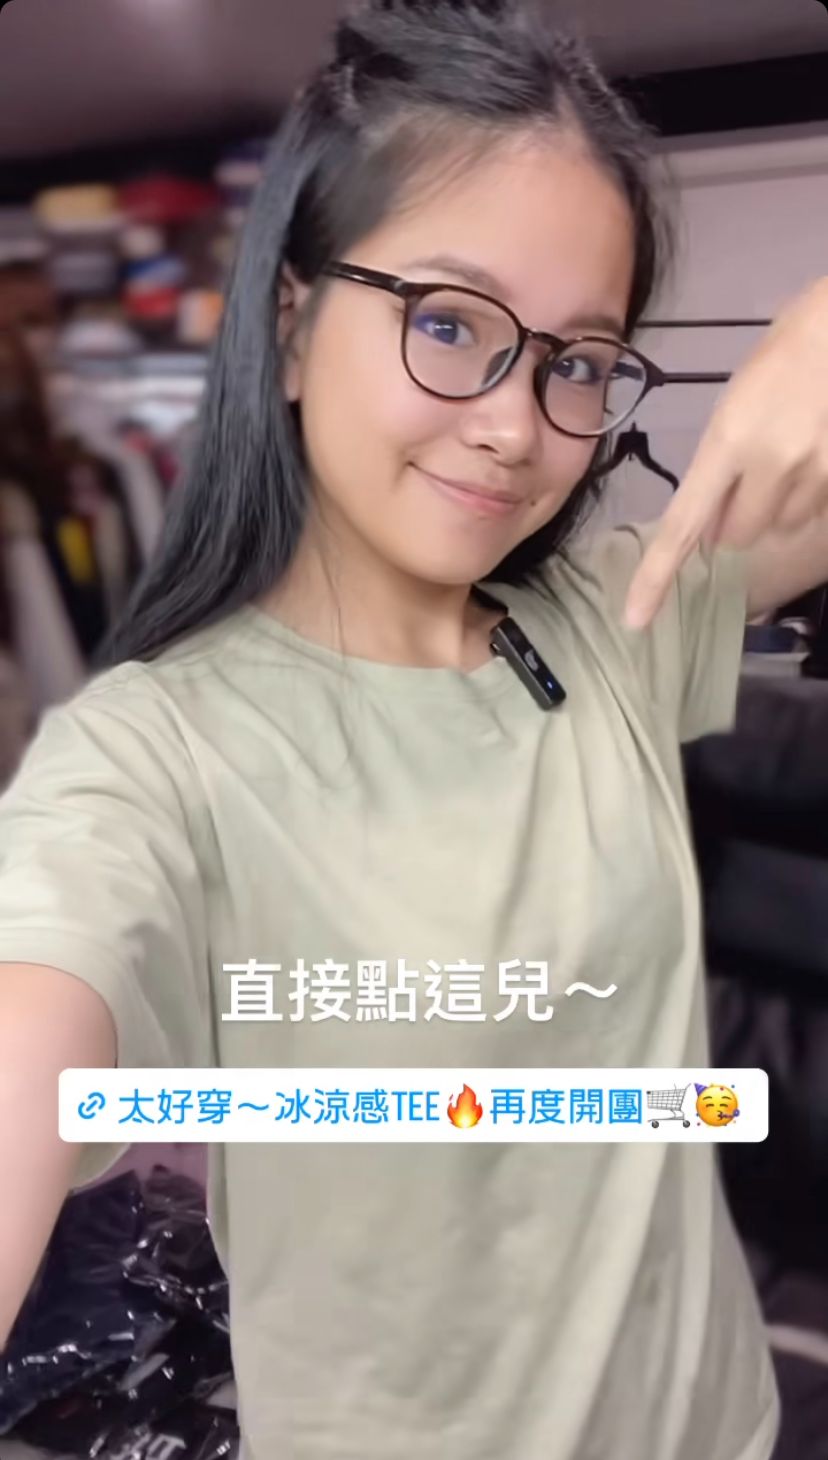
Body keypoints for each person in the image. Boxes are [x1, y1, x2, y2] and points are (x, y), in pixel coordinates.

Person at [2, 2, 828, 1456]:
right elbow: (36, 1003)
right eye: (450, 323)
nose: (518, 425)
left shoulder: (606, 622)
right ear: (292, 325)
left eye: (580, 359)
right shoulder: (149, 758)